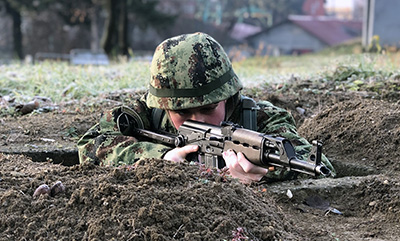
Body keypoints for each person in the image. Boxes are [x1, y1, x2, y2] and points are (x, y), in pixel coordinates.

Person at [77, 32, 335, 184]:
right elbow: (91, 143)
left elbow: (319, 168)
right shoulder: (146, 115)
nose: (198, 120)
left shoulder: (259, 119)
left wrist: (267, 172)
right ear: (164, 105)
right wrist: (158, 159)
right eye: (183, 113)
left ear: (228, 96)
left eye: (209, 108)